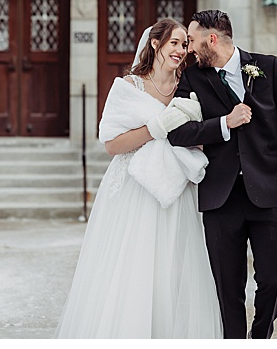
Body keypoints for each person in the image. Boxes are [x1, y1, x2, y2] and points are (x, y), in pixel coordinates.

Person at [55, 18, 221, 337]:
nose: (181, 49)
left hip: (176, 188)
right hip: (134, 189)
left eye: (185, 44)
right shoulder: (129, 86)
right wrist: (156, 129)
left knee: (174, 265)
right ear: (156, 43)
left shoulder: (189, 87)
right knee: (134, 264)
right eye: (174, 42)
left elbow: (202, 135)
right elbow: (112, 144)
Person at [167, 11, 277, 338]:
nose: (188, 48)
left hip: (270, 195)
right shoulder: (192, 78)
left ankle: (260, 339)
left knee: (275, 278)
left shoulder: (268, 67)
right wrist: (224, 123)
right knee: (227, 287)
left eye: (192, 40)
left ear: (212, 39)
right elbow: (176, 132)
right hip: (221, 199)